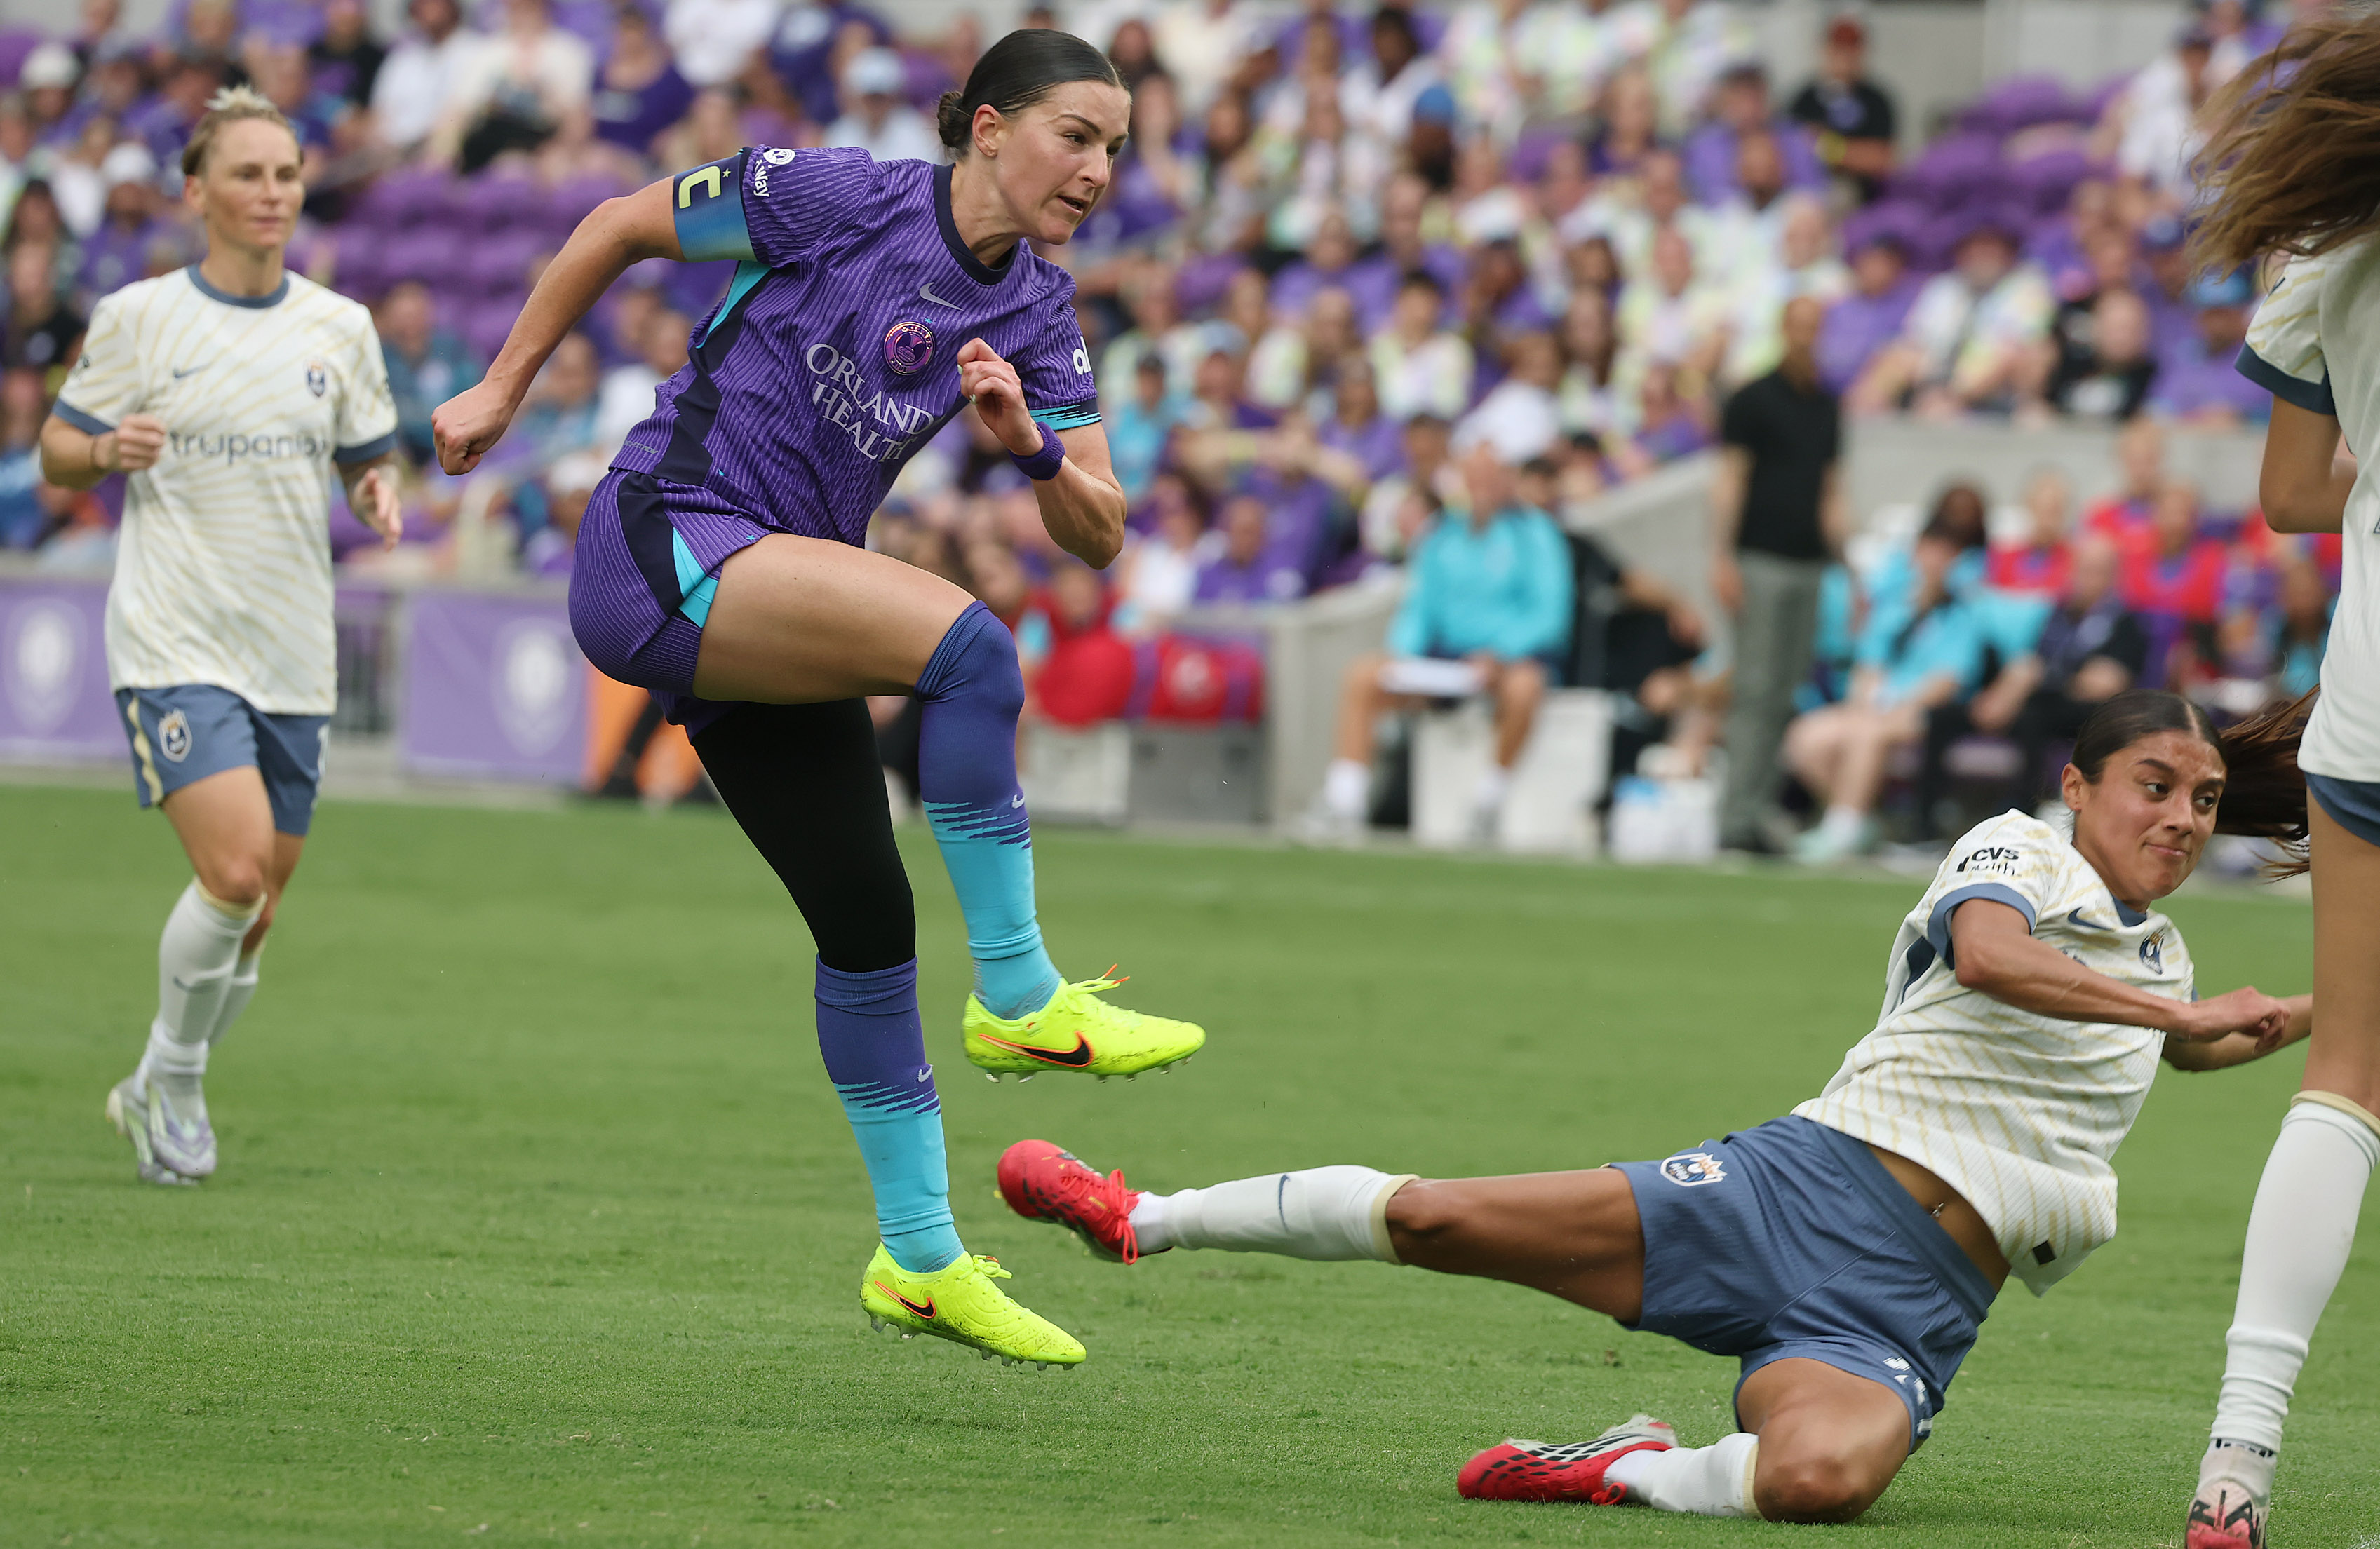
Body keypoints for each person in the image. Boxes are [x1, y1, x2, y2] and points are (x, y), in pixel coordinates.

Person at [997, 690, 2316, 1523]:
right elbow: (1985, 953)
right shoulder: (2012, 848)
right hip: (1798, 1188)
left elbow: (2177, 1048)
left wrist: (2310, 1011)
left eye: (2203, 799)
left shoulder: (2167, 964)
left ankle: (1621, 1459)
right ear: (2078, 785)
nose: (2183, 817)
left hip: (1914, 1301)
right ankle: (1142, 1213)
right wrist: (2176, 1017)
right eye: (2155, 784)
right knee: (1448, 1217)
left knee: (1817, 1482)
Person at [429, 30, 1204, 1370]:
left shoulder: (1037, 310)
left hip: (763, 595)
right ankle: (1019, 993)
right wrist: (503, 387)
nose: (1096, 169)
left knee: (865, 920)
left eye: (1113, 150)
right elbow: (618, 224)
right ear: (984, 128)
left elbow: (1101, 528)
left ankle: (917, 1258)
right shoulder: (838, 195)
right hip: (667, 532)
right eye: (1075, 135)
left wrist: (1026, 452)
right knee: (972, 653)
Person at [36, 88, 402, 1186]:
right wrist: (100, 457)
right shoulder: (140, 317)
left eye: (287, 174)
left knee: (260, 908)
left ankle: (156, 1078)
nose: (273, 193)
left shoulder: (338, 326)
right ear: (197, 192)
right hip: (174, 636)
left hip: (292, 647)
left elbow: (364, 455)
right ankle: (179, 1083)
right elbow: (58, 443)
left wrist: (378, 493)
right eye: (248, 174)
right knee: (235, 869)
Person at [2178, 20, 2380, 1543]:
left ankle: (2234, 1466)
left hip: (2369, 709)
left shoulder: (2323, 243)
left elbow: (2290, 498)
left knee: (2344, 1087)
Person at [1312, 441, 1572, 837]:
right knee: (1364, 676)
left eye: (1490, 476)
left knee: (1525, 687)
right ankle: (1344, 801)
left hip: (1502, 663)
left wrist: (1500, 653)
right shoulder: (1443, 534)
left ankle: (1488, 803)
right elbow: (1419, 607)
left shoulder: (1536, 533)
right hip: (1446, 662)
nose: (1482, 486)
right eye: (1474, 477)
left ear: (1508, 480)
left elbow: (1549, 614)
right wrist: (1404, 655)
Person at [1712, 295, 1842, 854]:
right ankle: (1734, 814)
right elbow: (1730, 478)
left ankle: (1758, 808)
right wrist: (1721, 555)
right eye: (1799, 325)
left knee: (1786, 690)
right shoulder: (1752, 398)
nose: (1805, 336)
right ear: (1783, 329)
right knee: (1755, 689)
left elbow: (1831, 490)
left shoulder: (1825, 405)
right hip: (1760, 557)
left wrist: (1848, 567)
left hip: (1807, 561)